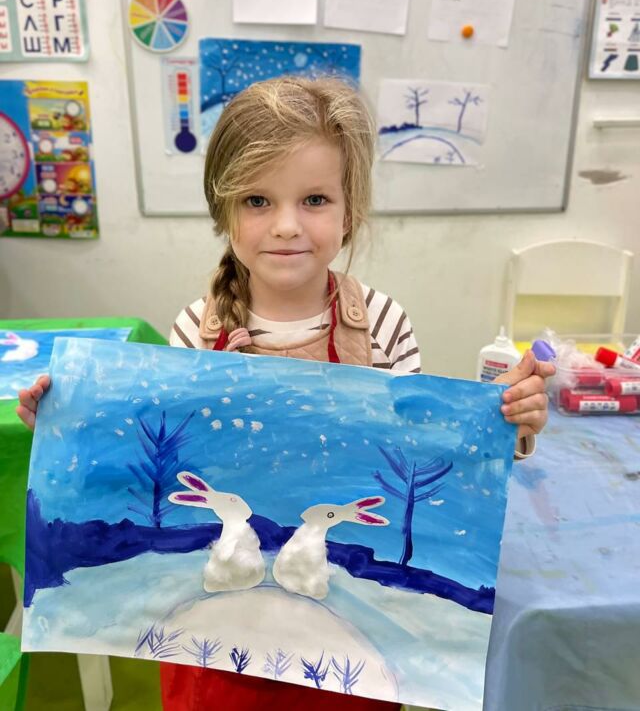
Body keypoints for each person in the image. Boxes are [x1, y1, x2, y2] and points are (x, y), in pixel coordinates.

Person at [17, 76, 553, 711]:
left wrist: (509, 425)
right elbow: (133, 464)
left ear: (350, 211)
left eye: (315, 199)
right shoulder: (193, 331)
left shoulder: (384, 325)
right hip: (213, 658)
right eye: (257, 200)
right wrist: (62, 425)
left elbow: (430, 455)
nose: (287, 225)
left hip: (345, 672)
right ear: (224, 212)